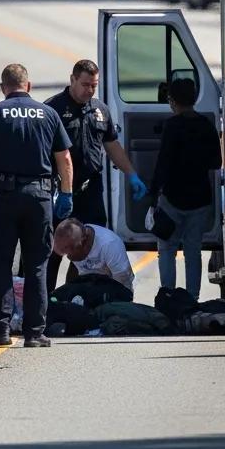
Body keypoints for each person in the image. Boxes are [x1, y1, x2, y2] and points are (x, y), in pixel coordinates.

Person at [0, 63, 73, 349]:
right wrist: (66, 193)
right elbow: (65, 159)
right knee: (37, 265)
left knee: (1, 264)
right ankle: (35, 333)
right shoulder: (48, 114)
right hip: (40, 198)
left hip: (5, 197)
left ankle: (0, 331)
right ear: (29, 85)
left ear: (3, 87)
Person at [44, 59, 147, 292]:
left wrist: (131, 174)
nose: (89, 90)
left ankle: (76, 295)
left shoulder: (100, 110)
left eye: (94, 85)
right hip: (60, 190)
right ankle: (46, 304)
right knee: (53, 251)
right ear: (72, 80)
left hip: (91, 190)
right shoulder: (53, 110)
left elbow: (112, 146)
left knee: (89, 250)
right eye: (85, 84)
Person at [150, 77, 222, 300]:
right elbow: (216, 162)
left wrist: (153, 195)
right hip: (200, 199)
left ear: (172, 101)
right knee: (193, 251)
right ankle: (192, 298)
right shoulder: (206, 125)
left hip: (172, 199)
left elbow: (162, 164)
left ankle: (168, 294)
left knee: (167, 249)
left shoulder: (172, 126)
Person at [52, 218, 135, 301]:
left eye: (70, 251)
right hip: (91, 282)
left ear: (84, 241)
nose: (69, 257)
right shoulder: (74, 243)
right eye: (66, 253)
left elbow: (123, 284)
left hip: (115, 283)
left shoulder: (110, 245)